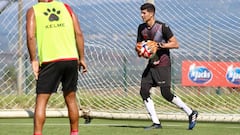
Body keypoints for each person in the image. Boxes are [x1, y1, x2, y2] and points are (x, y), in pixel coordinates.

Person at [26, 0, 87, 135]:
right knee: (71, 98)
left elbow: (30, 37)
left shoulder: (33, 11)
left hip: (50, 60)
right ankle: (74, 132)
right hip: (71, 59)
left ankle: (37, 133)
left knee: (41, 100)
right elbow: (78, 33)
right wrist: (81, 57)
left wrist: (33, 60)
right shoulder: (66, 7)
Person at [135, 3, 198, 130]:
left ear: (151, 13)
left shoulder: (162, 27)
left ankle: (191, 113)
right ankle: (156, 123)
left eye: (144, 13)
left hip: (163, 64)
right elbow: (139, 45)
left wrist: (157, 45)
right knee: (144, 91)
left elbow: (175, 44)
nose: (141, 15)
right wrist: (141, 51)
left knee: (166, 93)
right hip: (151, 65)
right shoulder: (141, 28)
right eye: (141, 13)